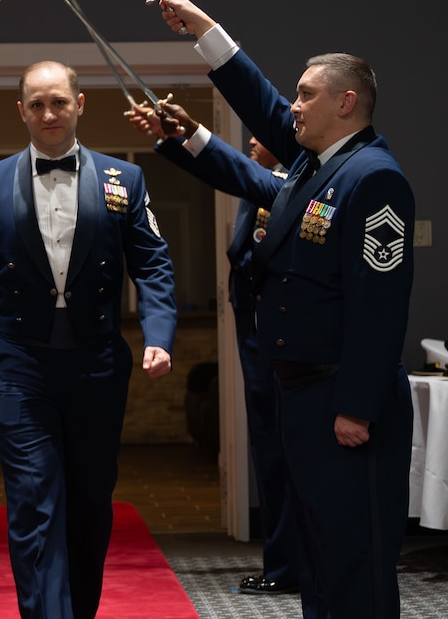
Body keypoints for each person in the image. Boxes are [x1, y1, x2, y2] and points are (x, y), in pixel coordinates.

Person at [159, 0, 415, 619]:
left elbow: (380, 307)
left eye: (304, 95)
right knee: (320, 556)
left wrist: (356, 406)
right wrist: (204, 34)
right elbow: (261, 106)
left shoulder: (371, 177)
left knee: (356, 559)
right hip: (301, 396)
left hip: (343, 401)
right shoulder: (315, 170)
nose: (292, 106)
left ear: (345, 103)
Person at [0, 61, 177, 619]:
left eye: (59, 102)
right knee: (34, 502)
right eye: (37, 104)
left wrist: (159, 333)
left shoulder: (126, 179)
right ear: (20, 110)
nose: (49, 114)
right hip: (20, 366)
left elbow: (154, 265)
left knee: (92, 503)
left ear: (80, 105)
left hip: (98, 364)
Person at [126, 103, 304, 595]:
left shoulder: (296, 181)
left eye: (261, 133)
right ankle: (283, 564)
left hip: (282, 339)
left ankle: (296, 567)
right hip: (255, 335)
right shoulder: (267, 179)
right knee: (269, 453)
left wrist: (188, 135)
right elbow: (235, 174)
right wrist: (174, 138)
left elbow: (237, 173)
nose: (250, 139)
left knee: (287, 456)